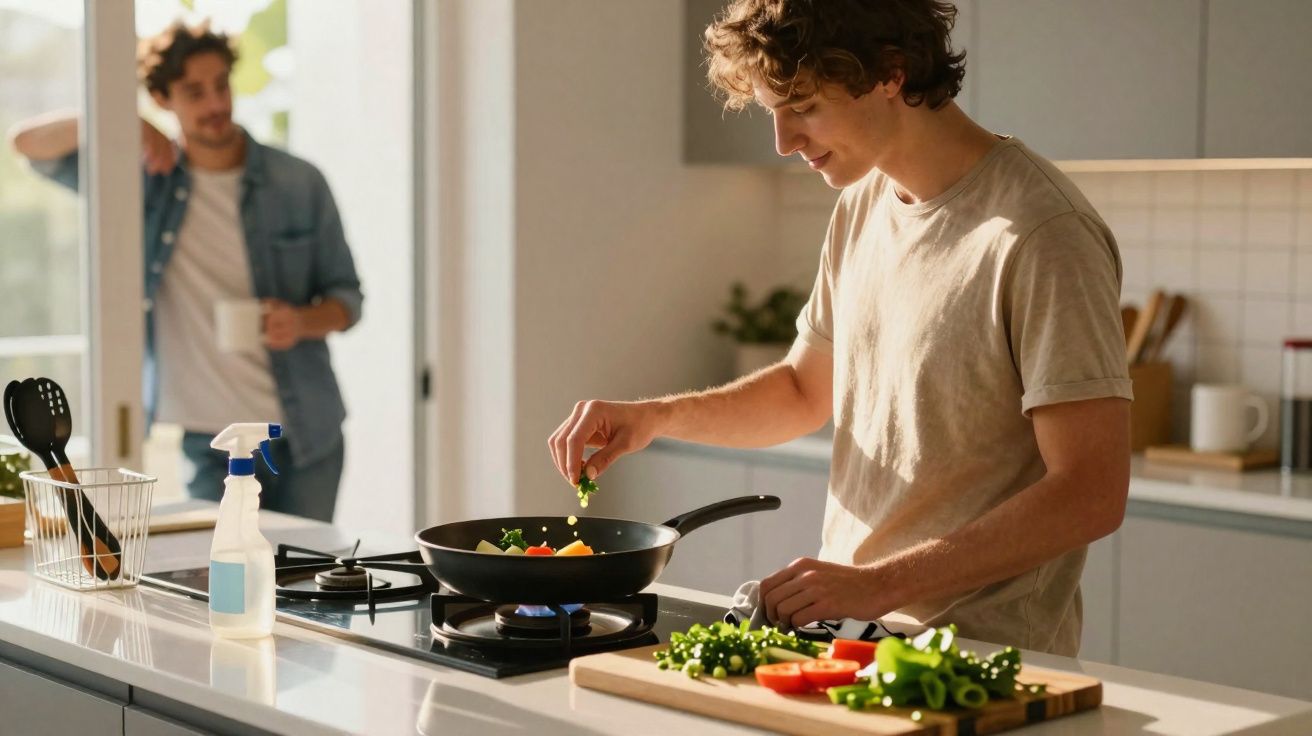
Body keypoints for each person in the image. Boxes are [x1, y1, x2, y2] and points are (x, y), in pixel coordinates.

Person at [548, 0, 1131, 656]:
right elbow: (803, 391)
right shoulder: (863, 204)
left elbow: (1090, 491)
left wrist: (877, 584)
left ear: (890, 72)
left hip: (978, 663)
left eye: (803, 106)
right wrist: (651, 419)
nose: (784, 141)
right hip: (848, 640)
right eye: (774, 112)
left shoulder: (1041, 233)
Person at [8, 21, 362, 522]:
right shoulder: (141, 181)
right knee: (221, 587)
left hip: (304, 434)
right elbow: (26, 144)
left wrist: (302, 322)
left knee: (309, 589)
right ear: (161, 96)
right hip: (209, 441)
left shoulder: (298, 182)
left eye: (221, 85)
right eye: (195, 92)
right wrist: (121, 120)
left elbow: (349, 298)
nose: (215, 104)